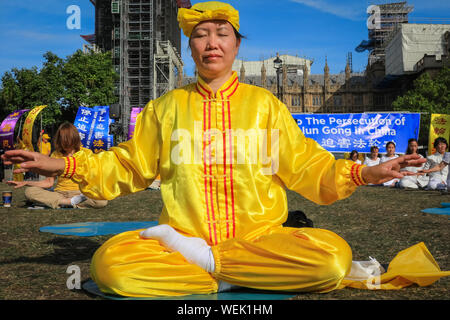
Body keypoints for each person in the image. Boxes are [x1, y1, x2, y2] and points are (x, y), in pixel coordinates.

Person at [2, 1, 440, 298]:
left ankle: (208, 266)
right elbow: (129, 164)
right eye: (200, 35)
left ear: (236, 45)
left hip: (260, 237)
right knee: (110, 267)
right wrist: (61, 162)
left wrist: (364, 172)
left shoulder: (265, 106)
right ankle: (228, 269)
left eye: (222, 34)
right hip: (183, 238)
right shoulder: (165, 108)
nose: (211, 42)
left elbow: (306, 165)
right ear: (191, 47)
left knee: (330, 259)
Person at [7, 122, 108, 209]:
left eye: (68, 141)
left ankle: (64, 202)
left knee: (102, 201)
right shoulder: (55, 154)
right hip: (60, 193)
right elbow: (49, 182)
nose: (66, 145)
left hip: (81, 194)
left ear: (75, 139)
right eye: (63, 141)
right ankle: (67, 202)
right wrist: (26, 183)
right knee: (30, 192)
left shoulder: (86, 153)